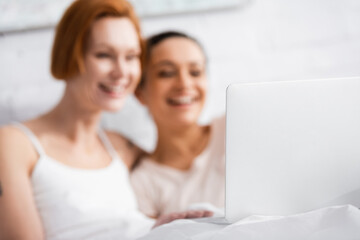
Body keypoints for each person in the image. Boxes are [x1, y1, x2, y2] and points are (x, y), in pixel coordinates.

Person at [0, 2, 211, 240]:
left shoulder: (121, 147)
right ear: (70, 56)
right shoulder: (15, 144)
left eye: (131, 57)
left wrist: (157, 226)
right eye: (104, 55)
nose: (122, 72)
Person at [131, 31, 225, 218]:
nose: (184, 83)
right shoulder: (142, 182)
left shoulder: (234, 129)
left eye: (195, 72)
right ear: (140, 92)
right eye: (166, 73)